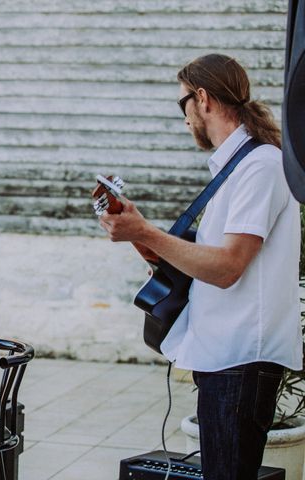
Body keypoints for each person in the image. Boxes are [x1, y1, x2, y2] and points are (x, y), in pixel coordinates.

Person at [100, 54, 302, 479]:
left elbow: (228, 267)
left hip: (241, 357)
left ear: (203, 99)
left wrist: (149, 232)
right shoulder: (239, 166)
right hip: (224, 355)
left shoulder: (260, 167)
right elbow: (205, 260)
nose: (184, 119)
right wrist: (142, 235)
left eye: (183, 105)